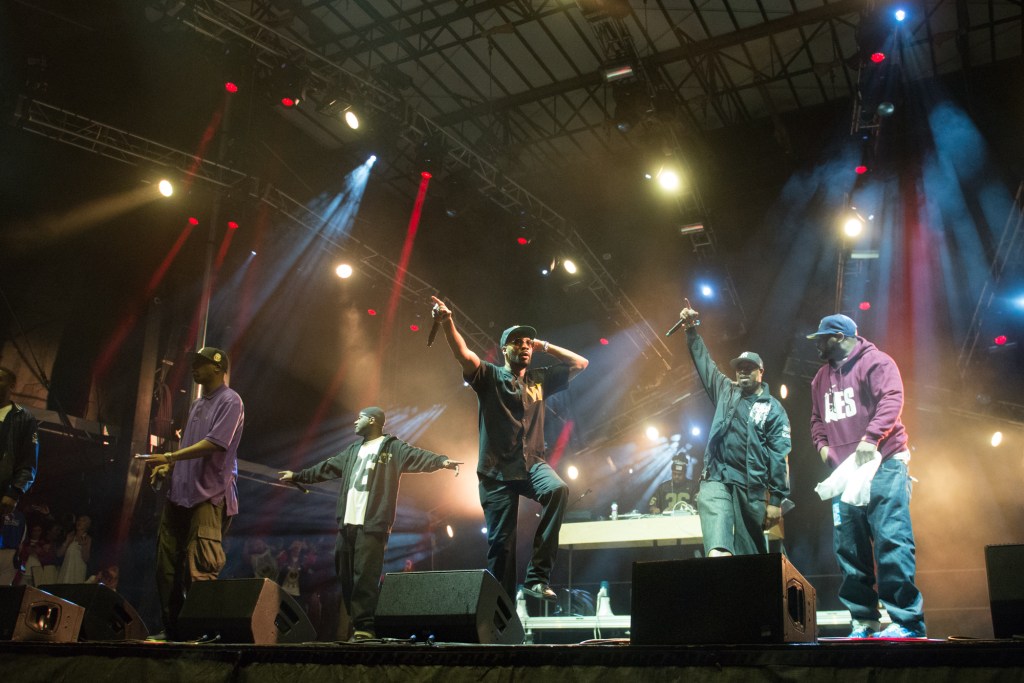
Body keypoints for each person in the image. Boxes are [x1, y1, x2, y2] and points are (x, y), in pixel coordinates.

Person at [430, 295, 589, 602]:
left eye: (529, 342)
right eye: (518, 342)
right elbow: (463, 355)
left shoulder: (538, 379)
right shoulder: (489, 376)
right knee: (501, 546)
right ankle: (500, 616)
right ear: (504, 349)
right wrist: (448, 321)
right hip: (496, 471)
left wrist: (544, 345)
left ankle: (537, 577)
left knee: (557, 490)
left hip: (532, 464)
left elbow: (580, 363)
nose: (525, 346)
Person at [279, 406, 460, 641]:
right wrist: (298, 476)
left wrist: (442, 461)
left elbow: (418, 456)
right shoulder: (353, 450)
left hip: (373, 523)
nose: (355, 422)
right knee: (344, 573)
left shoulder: (393, 447)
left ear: (372, 421)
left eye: (360, 418)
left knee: (365, 575)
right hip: (347, 523)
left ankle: (365, 627)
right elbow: (326, 467)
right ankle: (359, 623)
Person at [806, 314, 925, 639]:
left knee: (891, 540)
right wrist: (823, 450)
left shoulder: (876, 362)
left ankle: (907, 623)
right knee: (849, 549)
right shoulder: (820, 378)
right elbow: (817, 420)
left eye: (823, 337)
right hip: (846, 473)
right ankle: (865, 622)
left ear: (842, 336)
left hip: (884, 463)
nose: (817, 343)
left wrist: (870, 438)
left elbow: (891, 399)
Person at [139, 346, 244, 640]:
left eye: (201, 363)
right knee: (167, 567)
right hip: (179, 495)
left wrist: (170, 458)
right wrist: (171, 470)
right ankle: (174, 630)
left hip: (209, 497)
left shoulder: (231, 400)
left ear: (218, 367)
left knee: (201, 569)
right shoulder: (198, 405)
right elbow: (192, 447)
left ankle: (204, 633)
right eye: (194, 363)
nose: (194, 368)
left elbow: (215, 443)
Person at [676, 300, 791, 557]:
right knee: (718, 551)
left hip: (751, 488)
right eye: (739, 368)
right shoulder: (726, 391)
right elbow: (705, 364)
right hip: (717, 478)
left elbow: (779, 456)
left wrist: (775, 502)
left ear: (761, 372)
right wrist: (691, 329)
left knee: (750, 555)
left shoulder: (773, 409)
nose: (742, 372)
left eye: (749, 369)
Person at [0, 366, 39, 529]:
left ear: (12, 385)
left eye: (0, 379)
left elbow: (29, 460)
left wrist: (14, 492)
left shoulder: (23, 418)